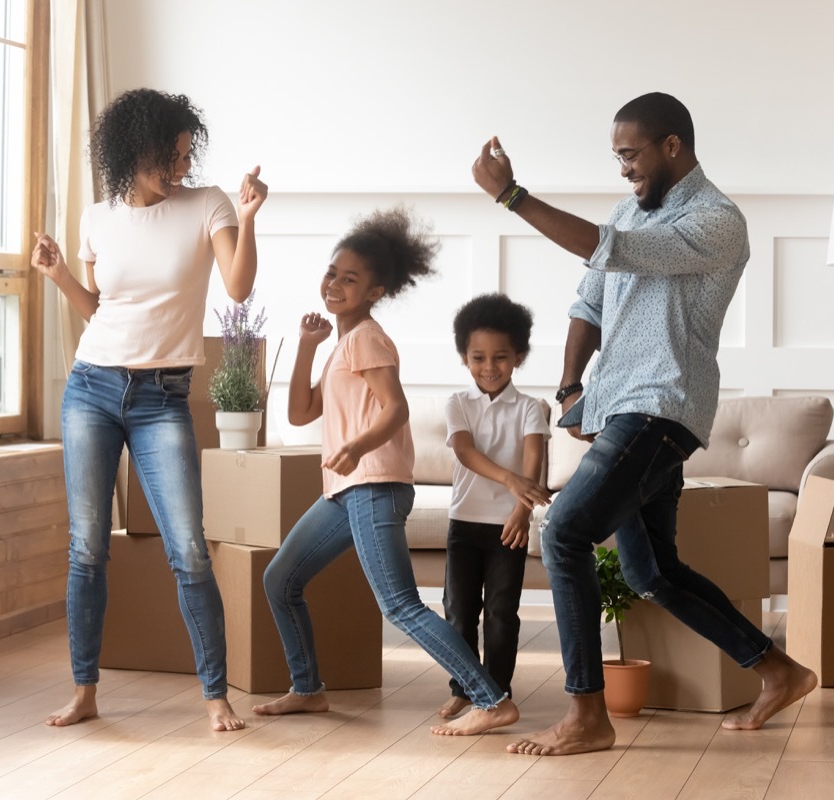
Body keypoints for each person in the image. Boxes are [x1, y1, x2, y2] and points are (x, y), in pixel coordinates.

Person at [470, 92, 817, 756]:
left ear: (672, 147)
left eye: (630, 154)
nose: (624, 169)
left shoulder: (717, 220)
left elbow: (612, 250)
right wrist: (574, 387)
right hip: (620, 407)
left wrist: (512, 196)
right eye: (617, 156)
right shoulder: (629, 210)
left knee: (567, 532)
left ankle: (586, 714)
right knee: (651, 571)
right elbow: (588, 302)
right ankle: (779, 671)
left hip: (662, 407)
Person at [30, 88, 267, 731]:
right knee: (86, 549)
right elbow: (98, 309)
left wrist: (246, 219)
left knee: (188, 549)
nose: (181, 170)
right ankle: (85, 691)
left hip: (162, 398)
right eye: (170, 160)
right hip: (91, 389)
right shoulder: (97, 217)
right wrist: (57, 275)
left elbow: (239, 289)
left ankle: (215, 696)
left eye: (187, 157)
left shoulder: (207, 204)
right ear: (133, 154)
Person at [251, 208, 521, 736]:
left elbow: (394, 409)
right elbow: (301, 413)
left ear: (375, 291)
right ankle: (307, 689)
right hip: (347, 491)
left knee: (399, 605)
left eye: (350, 279)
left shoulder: (368, 338)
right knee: (281, 579)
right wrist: (307, 347)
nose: (335, 284)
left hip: (372, 485)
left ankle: (492, 700)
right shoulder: (342, 345)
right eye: (332, 272)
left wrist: (356, 445)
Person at [438, 293, 551, 720]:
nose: (489, 367)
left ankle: (497, 694)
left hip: (509, 525)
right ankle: (464, 691)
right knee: (459, 613)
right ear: (464, 357)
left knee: (502, 614)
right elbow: (465, 453)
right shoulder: (457, 404)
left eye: (500, 357)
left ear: (518, 356)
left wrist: (522, 512)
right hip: (464, 523)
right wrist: (511, 481)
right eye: (478, 357)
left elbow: (533, 462)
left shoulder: (529, 408)